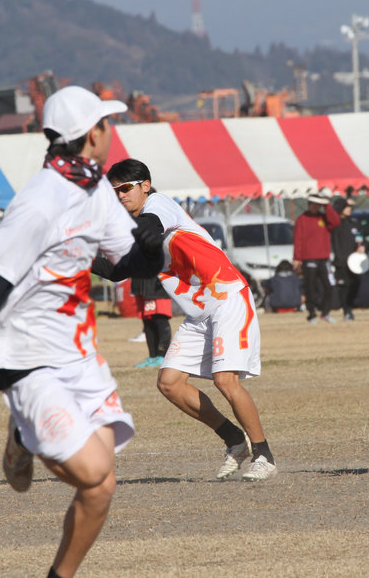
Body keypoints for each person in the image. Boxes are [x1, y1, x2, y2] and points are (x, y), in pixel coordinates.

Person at [0, 86, 163, 578]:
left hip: (79, 354)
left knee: (102, 486)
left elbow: (121, 264)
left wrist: (150, 249)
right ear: (91, 133)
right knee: (93, 471)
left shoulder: (96, 189)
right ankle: (22, 435)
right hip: (28, 356)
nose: (111, 133)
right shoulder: (41, 199)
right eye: (106, 124)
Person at [96, 158, 277, 482]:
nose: (120, 195)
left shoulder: (158, 204)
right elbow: (115, 271)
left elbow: (149, 227)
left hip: (227, 297)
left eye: (125, 188)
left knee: (225, 380)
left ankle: (264, 455)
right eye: (114, 192)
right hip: (200, 312)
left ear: (145, 186)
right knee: (169, 383)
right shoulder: (134, 227)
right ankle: (234, 440)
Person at [293, 195, 340, 323]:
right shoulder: (302, 219)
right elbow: (298, 239)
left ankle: (325, 312)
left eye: (318, 204)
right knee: (310, 287)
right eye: (313, 204)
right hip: (309, 259)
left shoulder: (324, 217)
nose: (315, 207)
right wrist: (297, 258)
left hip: (324, 259)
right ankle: (312, 313)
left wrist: (327, 206)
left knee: (328, 286)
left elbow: (335, 222)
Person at [330, 197, 362, 321]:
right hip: (341, 261)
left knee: (355, 284)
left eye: (350, 207)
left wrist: (363, 246)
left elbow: (360, 237)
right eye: (346, 207)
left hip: (354, 262)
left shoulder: (353, 222)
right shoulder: (335, 224)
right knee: (344, 286)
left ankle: (349, 306)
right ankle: (346, 310)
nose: (349, 209)